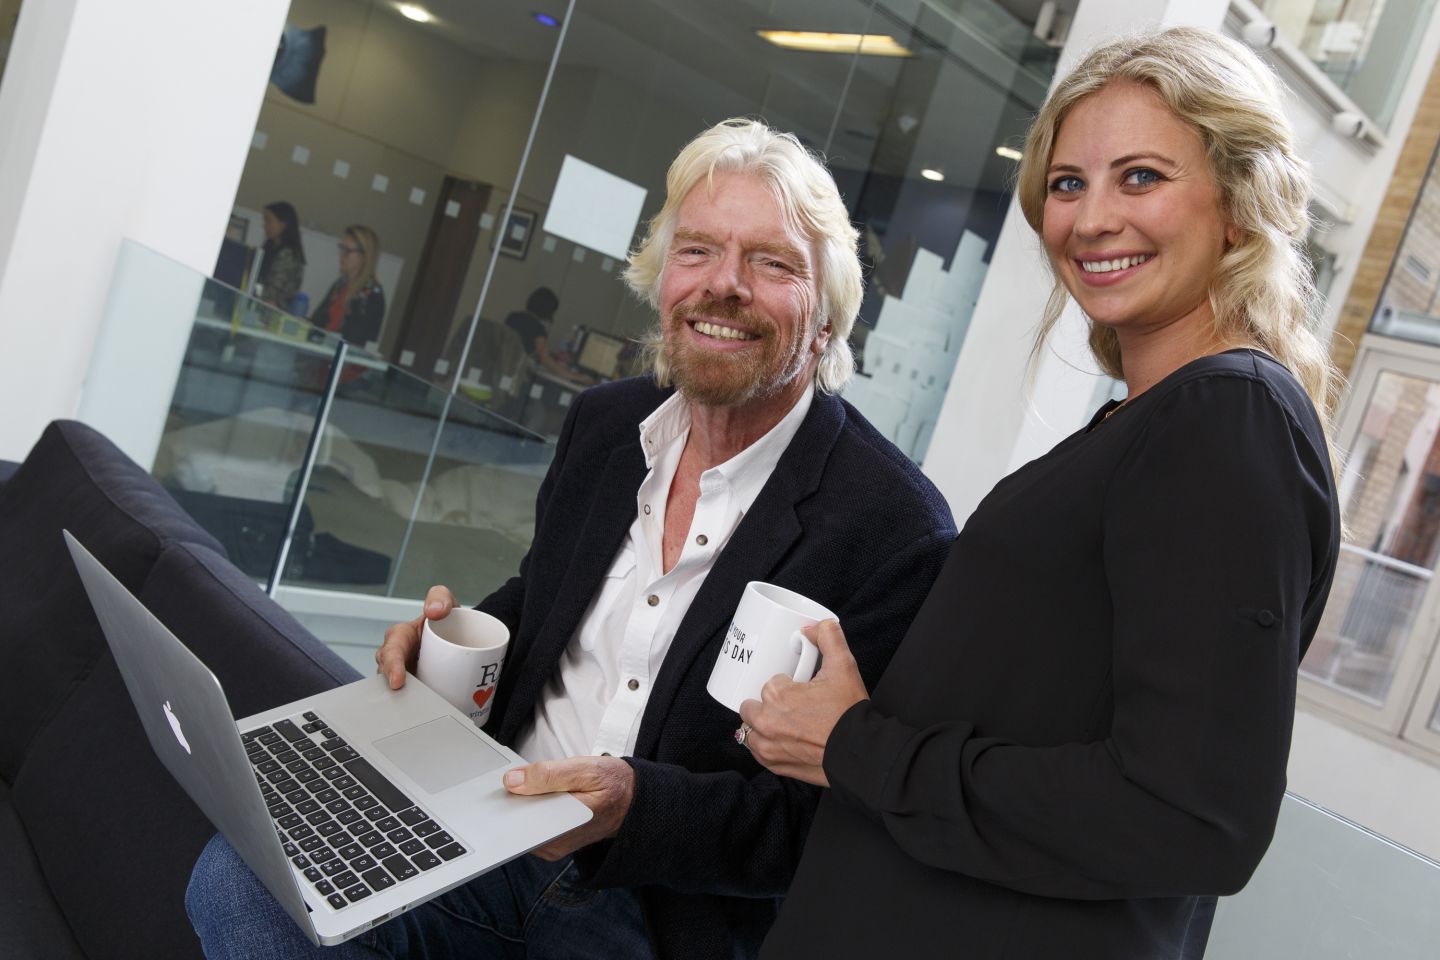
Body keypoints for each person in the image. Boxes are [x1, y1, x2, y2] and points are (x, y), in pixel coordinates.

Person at [186, 118, 957, 959]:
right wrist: (456, 648)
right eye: (697, 251)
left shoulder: (895, 528)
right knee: (236, 880)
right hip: (490, 820)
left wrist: (636, 807)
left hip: (651, 912)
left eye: (771, 263)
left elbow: (831, 820)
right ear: (662, 280)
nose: (724, 285)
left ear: (826, 318)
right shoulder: (604, 428)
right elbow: (542, 600)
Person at [742, 27, 1343, 960]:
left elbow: (1188, 817)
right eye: (1068, 184)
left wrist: (859, 746)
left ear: (1237, 202)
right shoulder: (1154, 420)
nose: (1091, 218)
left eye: (1140, 176)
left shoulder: (1227, 421)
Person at [311, 225, 385, 347]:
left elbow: (357, 338)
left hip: (344, 358)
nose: (340, 255)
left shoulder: (372, 292)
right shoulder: (340, 284)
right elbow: (317, 320)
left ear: (364, 256)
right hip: (323, 349)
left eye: (347, 251)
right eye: (341, 248)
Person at [504, 286, 594, 386]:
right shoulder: (537, 328)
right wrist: (576, 377)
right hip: (519, 379)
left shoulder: (512, 317)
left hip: (503, 371)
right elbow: (545, 359)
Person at [256, 201, 307, 313]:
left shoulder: (289, 255)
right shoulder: (269, 247)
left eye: (269, 221)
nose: (265, 225)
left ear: (283, 224)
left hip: (273, 314)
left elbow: (272, 292)